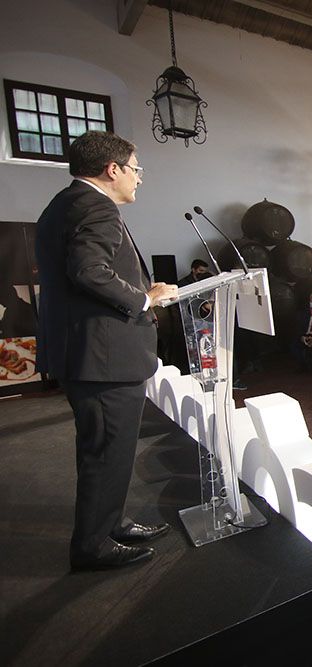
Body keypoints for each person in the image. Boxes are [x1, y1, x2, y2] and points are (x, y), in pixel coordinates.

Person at [35, 131, 175, 570]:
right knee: (104, 452)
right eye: (136, 169)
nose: (139, 178)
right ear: (112, 169)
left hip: (89, 353)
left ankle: (111, 523)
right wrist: (144, 299)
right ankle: (93, 547)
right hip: (103, 358)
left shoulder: (64, 203)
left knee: (110, 449)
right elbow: (89, 271)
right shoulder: (95, 206)